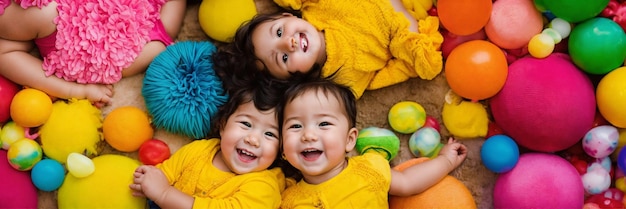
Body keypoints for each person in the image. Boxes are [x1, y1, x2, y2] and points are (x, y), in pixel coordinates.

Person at [278, 78, 467, 208]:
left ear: (349, 140)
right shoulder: (287, 200)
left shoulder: (369, 169)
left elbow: (409, 181)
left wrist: (446, 161)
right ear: (283, 149)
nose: (308, 134)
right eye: (295, 126)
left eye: (324, 123)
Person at [212, 0, 443, 99]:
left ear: (286, 16)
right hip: (402, 20)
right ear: (292, 79)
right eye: (282, 58)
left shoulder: (314, 6)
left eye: (280, 32)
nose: (288, 43)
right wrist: (403, 22)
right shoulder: (344, 80)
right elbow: (421, 66)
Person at [129, 81, 289, 209]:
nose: (253, 139)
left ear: (281, 149)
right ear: (223, 125)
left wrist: (164, 194)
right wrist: (146, 180)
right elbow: (165, 174)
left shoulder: (265, 186)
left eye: (270, 134)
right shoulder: (201, 149)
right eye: (246, 124)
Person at [0, 0, 187, 106]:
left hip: (96, 41)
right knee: (161, 38)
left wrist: (75, 90)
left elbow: (7, 56)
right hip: (94, 45)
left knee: (160, 38)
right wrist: (75, 90)